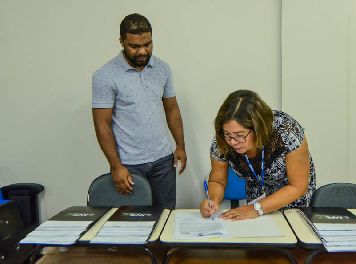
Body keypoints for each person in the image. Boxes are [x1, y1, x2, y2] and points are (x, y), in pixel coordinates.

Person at [92, 13, 186, 209]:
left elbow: (172, 109)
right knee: (133, 225)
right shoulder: (105, 75)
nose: (143, 51)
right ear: (121, 42)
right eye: (134, 46)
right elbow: (102, 124)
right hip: (129, 164)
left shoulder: (162, 68)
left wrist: (180, 146)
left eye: (148, 44)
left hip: (163, 161)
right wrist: (116, 166)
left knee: (165, 218)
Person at [200, 90, 315, 220]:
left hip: (292, 201)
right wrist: (213, 201)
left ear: (258, 129)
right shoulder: (221, 142)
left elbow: (297, 186)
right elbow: (217, 180)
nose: (232, 142)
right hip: (256, 198)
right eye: (228, 134)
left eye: (240, 135)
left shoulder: (287, 133)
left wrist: (256, 209)